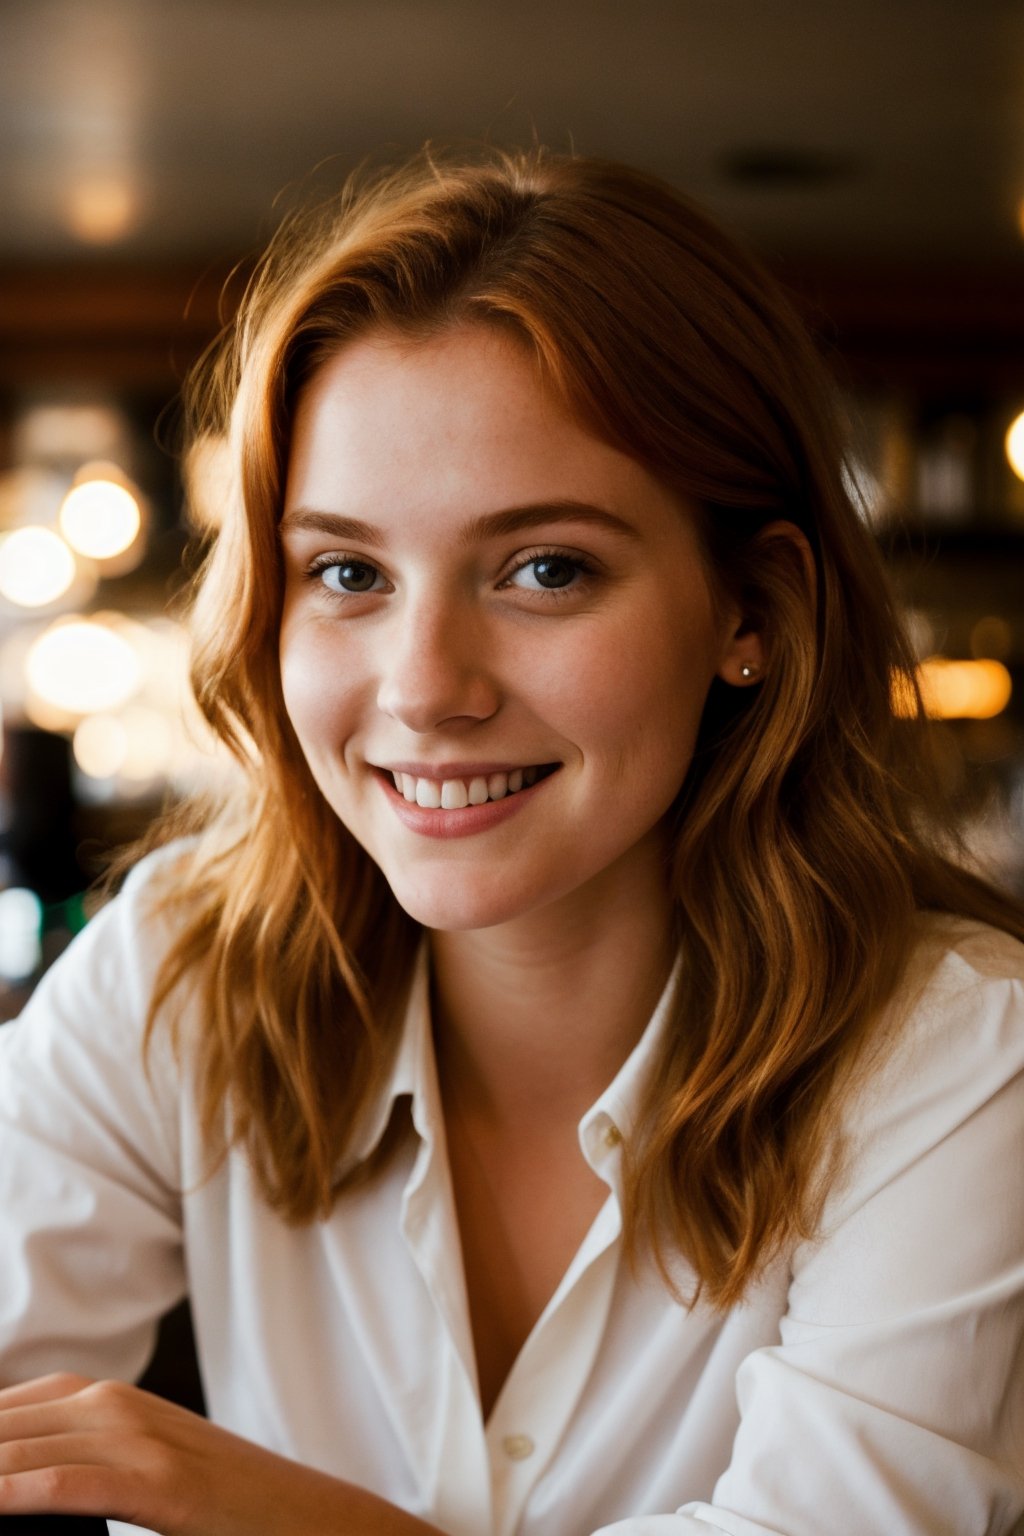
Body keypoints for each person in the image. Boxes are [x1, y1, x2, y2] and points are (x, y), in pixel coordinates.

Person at [0, 146, 1022, 1536]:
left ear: (753, 614)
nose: (425, 687)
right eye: (347, 573)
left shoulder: (962, 1062)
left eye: (546, 569)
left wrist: (276, 1518)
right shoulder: (183, 967)